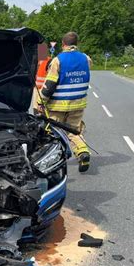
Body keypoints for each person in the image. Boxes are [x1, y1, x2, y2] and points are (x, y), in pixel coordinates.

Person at [38, 32, 92, 172]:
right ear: (77, 43)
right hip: (78, 104)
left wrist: (40, 102)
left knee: (52, 132)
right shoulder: (86, 59)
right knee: (74, 130)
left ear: (63, 44)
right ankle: (82, 152)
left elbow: (50, 85)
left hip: (57, 105)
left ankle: (53, 160)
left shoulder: (58, 60)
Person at [32, 43, 52, 114]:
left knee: (36, 106)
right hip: (44, 87)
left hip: (38, 87)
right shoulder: (50, 60)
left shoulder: (36, 61)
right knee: (42, 108)